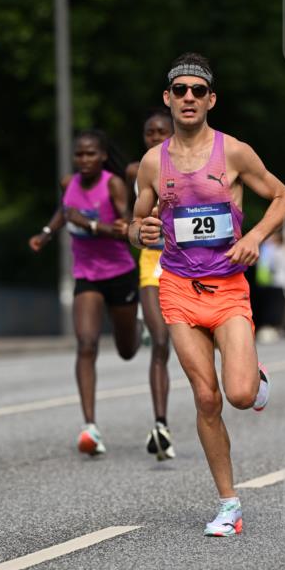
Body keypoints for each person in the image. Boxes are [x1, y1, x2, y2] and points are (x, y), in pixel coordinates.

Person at [130, 53, 285, 536]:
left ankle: (255, 377)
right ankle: (229, 505)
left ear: (211, 100)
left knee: (239, 395)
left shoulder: (235, 153)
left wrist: (255, 237)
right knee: (207, 398)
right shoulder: (152, 163)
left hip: (227, 290)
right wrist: (140, 232)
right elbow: (136, 224)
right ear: (168, 98)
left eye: (198, 91)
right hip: (178, 288)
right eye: (180, 90)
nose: (189, 97)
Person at [30, 129, 140, 456]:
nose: (84, 159)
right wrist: (46, 233)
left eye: (91, 154)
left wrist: (90, 225)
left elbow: (124, 232)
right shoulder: (69, 183)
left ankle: (138, 327)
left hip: (119, 273)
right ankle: (89, 426)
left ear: (103, 156)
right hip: (86, 275)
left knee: (126, 350)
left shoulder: (113, 185)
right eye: (79, 154)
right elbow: (65, 210)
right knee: (87, 343)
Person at [126, 108, 176, 460]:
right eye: (150, 132)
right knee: (160, 341)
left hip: (189, 263)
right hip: (151, 263)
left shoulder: (191, 166)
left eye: (162, 132)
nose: (155, 137)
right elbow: (128, 213)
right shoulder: (136, 171)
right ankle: (161, 425)